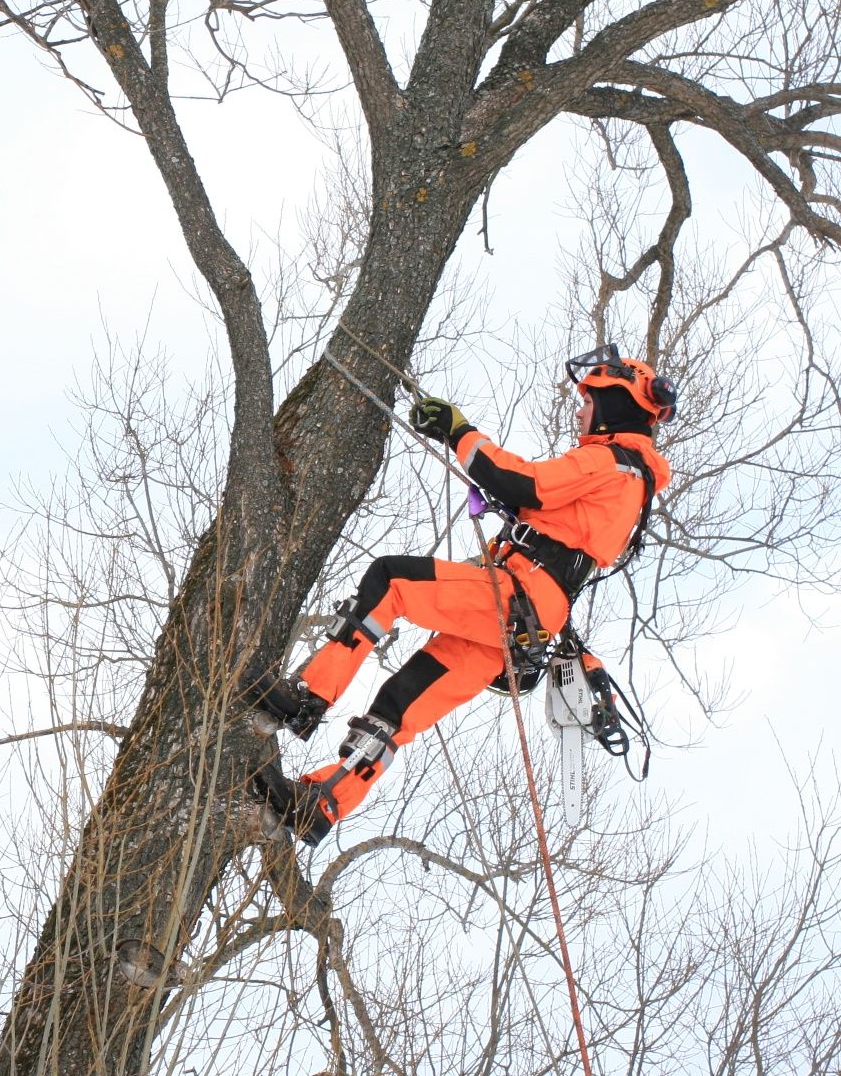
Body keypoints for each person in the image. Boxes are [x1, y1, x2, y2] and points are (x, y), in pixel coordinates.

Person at [243, 346, 675, 845]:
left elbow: (520, 481)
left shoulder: (607, 462)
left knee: (390, 581)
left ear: (614, 405)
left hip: (518, 595)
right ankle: (323, 802)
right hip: (527, 620)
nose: (580, 412)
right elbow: (559, 523)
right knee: (400, 706)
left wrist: (458, 429)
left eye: (589, 401)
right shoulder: (632, 479)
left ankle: (305, 697)